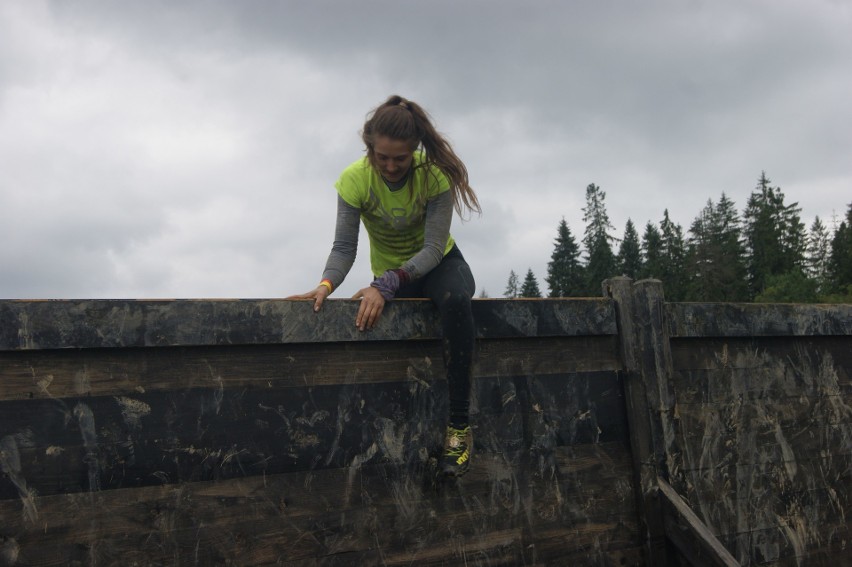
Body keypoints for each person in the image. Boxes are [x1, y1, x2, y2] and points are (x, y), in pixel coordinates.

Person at [288, 95, 480, 477]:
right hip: (391, 279)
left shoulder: (434, 176)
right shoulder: (354, 180)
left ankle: (459, 427)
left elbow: (431, 248)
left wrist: (387, 283)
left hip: (439, 266)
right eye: (382, 158)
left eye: (401, 159)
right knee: (369, 318)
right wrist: (326, 284)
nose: (391, 166)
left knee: (456, 300)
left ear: (415, 152)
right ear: (369, 148)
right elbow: (344, 247)